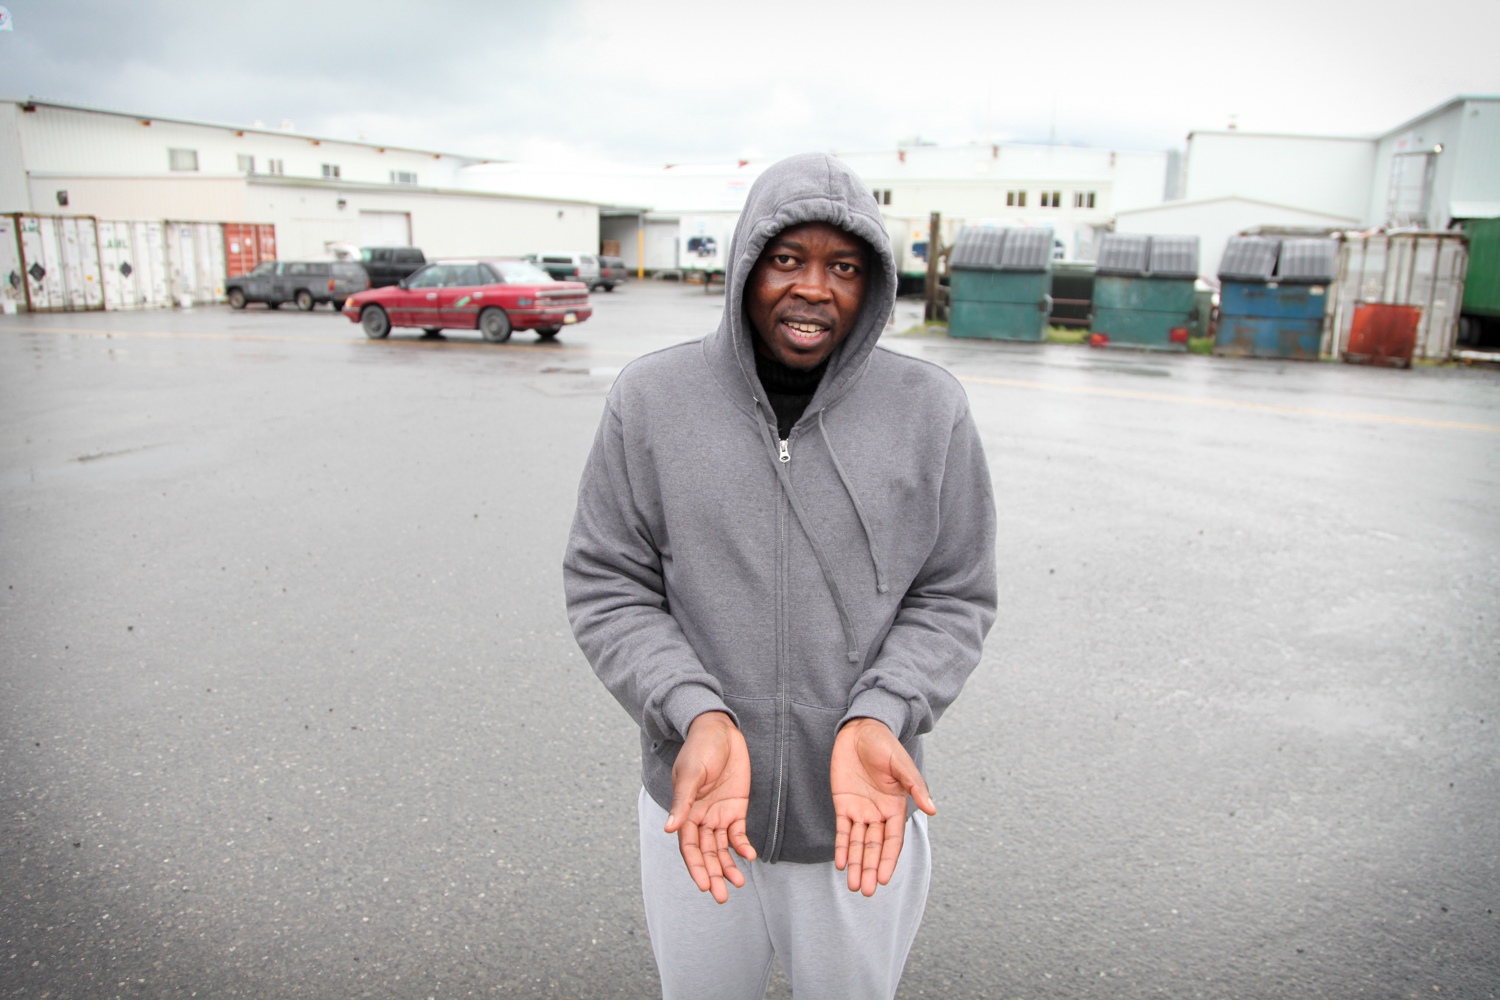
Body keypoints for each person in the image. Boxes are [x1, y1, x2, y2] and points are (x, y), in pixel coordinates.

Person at [564, 152, 996, 1000]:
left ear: (871, 284)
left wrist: (884, 711)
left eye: (843, 266)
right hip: (697, 803)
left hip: (858, 819)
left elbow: (952, 594)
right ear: (745, 265)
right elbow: (609, 582)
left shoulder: (929, 409)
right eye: (787, 258)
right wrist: (694, 715)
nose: (814, 288)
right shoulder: (652, 399)